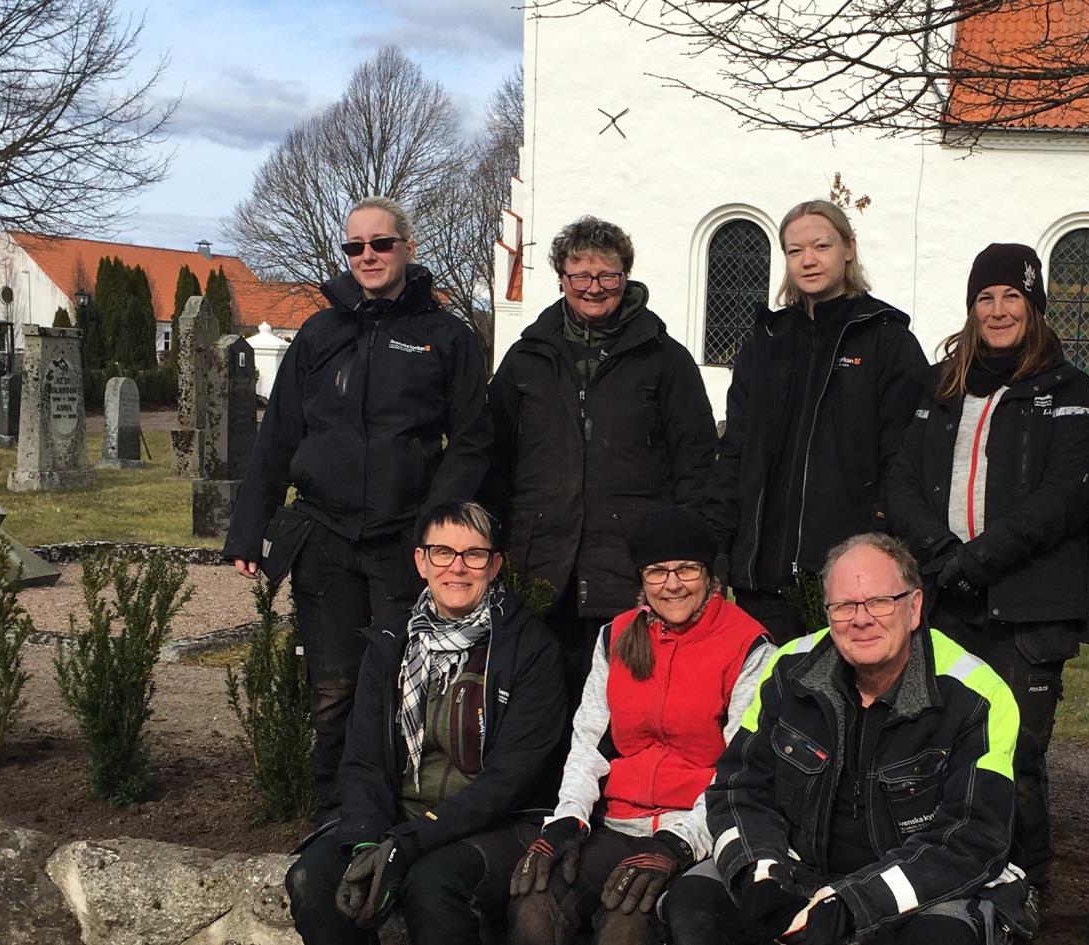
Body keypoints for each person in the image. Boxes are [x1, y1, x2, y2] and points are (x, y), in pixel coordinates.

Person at [224, 196, 492, 819]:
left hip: (406, 540)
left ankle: (401, 814)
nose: (367, 256)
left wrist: (436, 528)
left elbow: (472, 440)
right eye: (355, 247)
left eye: (380, 244)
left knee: (406, 680)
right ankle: (337, 816)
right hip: (325, 534)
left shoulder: (446, 337)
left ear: (408, 249)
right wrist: (247, 530)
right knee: (333, 686)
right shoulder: (320, 333)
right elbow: (280, 434)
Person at [666, 533, 1025, 945]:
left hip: (915, 887)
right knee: (696, 898)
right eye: (844, 606)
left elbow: (973, 838)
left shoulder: (976, 693)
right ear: (827, 611)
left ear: (914, 608)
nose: (861, 619)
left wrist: (852, 904)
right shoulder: (789, 668)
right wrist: (760, 872)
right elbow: (737, 789)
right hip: (798, 868)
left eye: (879, 601)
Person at [887, 242, 1089, 915]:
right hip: (946, 598)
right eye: (986, 297)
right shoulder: (942, 382)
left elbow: (1066, 493)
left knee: (1013, 751)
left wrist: (978, 557)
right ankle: (943, 871)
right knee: (934, 742)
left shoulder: (1066, 389)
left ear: (1034, 306)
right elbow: (900, 479)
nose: (998, 308)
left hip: (1027, 607)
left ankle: (1022, 882)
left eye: (1012, 295)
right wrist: (938, 549)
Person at [284, 501, 566, 944]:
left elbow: (511, 779)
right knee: (312, 879)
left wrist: (411, 842)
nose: (457, 568)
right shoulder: (391, 645)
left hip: (496, 825)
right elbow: (363, 760)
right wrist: (365, 840)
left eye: (474, 555)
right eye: (442, 553)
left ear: (494, 566)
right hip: (398, 819)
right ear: (421, 561)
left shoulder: (530, 650)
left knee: (432, 885)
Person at [507, 506, 773, 945]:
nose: (672, 584)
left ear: (709, 574)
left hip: (694, 828)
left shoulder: (747, 645)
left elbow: (740, 771)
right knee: (535, 903)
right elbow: (589, 740)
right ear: (641, 578)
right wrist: (568, 819)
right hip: (618, 821)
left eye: (686, 568)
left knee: (625, 925)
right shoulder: (617, 635)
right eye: (657, 571)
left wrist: (676, 844)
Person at [484, 215, 717, 692]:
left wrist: (694, 557)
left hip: (628, 570)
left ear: (625, 276)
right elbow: (493, 456)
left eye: (606, 275)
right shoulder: (528, 357)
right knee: (539, 703)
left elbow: (696, 461)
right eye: (580, 275)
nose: (593, 287)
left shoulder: (665, 359)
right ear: (562, 278)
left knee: (626, 702)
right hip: (540, 567)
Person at [705, 200, 927, 641]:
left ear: (848, 248)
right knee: (767, 703)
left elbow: (903, 458)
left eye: (821, 245)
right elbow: (735, 453)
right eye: (794, 250)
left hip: (849, 578)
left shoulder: (886, 339)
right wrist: (718, 549)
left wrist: (881, 546)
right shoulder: (765, 343)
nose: (808, 260)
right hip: (762, 573)